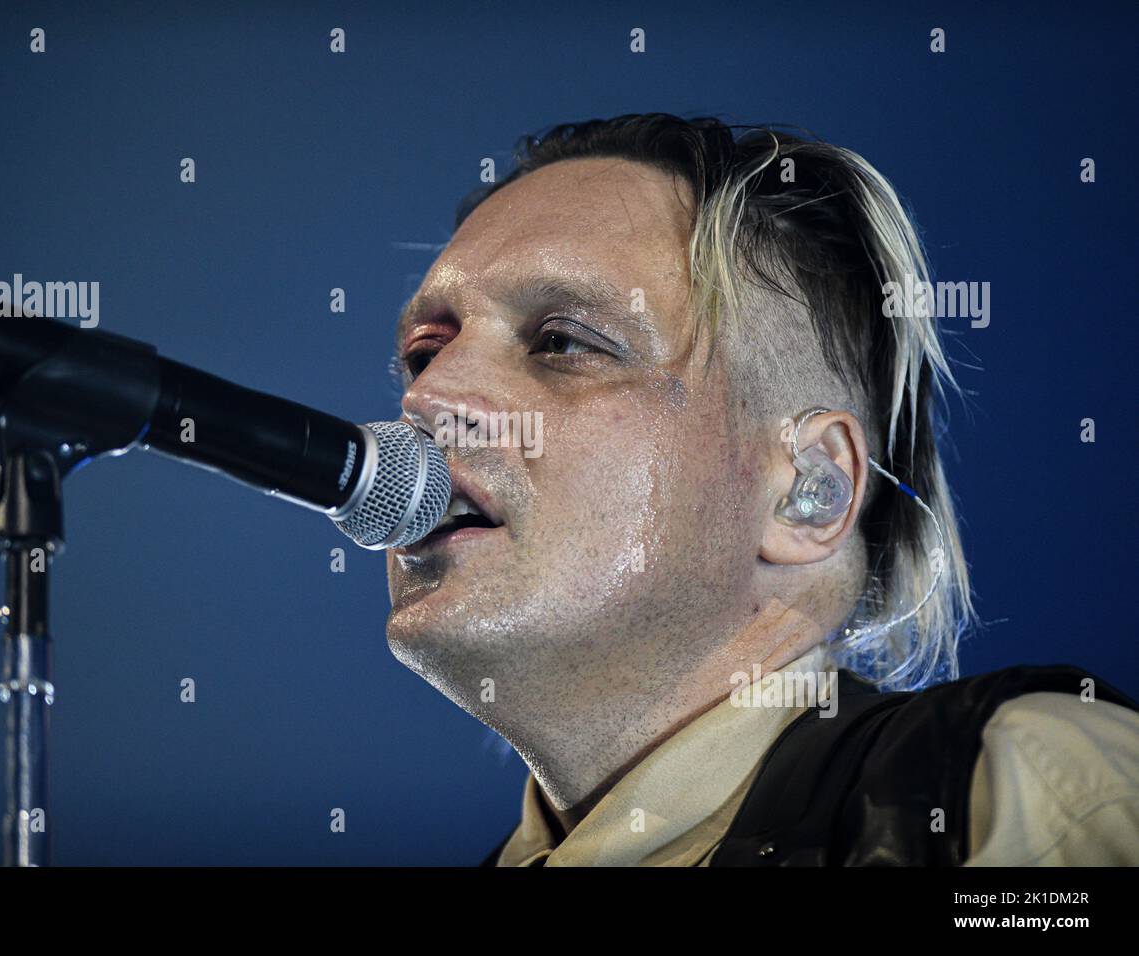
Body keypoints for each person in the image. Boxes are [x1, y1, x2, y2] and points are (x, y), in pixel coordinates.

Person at [383, 114, 1139, 866]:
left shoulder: (1025, 791)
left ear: (810, 488)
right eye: (424, 354)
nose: (427, 398)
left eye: (562, 341)